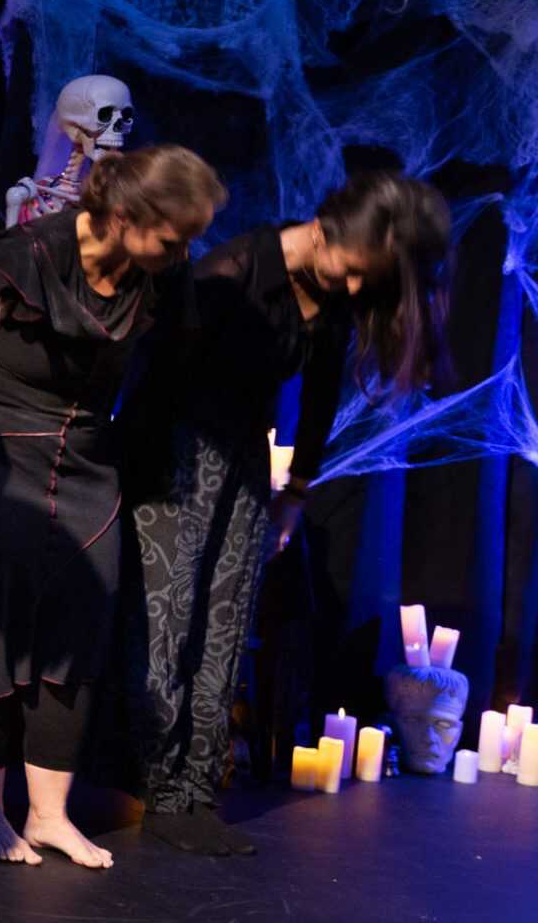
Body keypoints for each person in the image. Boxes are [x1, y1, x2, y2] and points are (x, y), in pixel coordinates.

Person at [0, 144, 227, 868]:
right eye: (171, 237)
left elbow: (177, 363)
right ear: (123, 216)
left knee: (77, 625)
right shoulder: (25, 254)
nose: (181, 252)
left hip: (84, 457)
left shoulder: (161, 276)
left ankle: (50, 815)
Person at [123, 170, 451, 853]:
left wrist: (296, 493)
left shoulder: (329, 298)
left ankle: (197, 792)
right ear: (325, 230)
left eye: (365, 280)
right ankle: (159, 790)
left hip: (244, 464)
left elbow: (323, 392)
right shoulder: (234, 271)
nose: (353, 288)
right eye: (352, 270)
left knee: (225, 627)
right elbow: (156, 378)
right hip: (177, 456)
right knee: (170, 625)